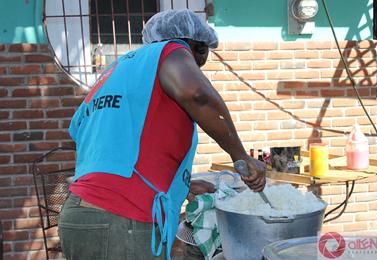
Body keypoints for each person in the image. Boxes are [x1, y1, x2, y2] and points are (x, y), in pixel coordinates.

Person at [58, 9, 266, 260]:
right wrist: (241, 157)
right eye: (199, 59)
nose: (196, 67)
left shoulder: (117, 72)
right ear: (195, 47)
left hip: (82, 214)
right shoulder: (171, 50)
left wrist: (179, 187)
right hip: (119, 220)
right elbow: (197, 95)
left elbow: (109, 145)